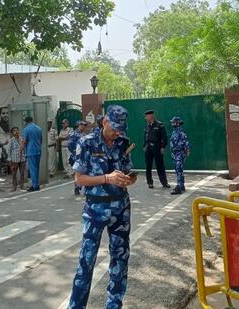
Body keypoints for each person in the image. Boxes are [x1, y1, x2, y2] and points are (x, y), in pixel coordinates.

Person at [67, 105, 137, 309]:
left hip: (121, 209)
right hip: (95, 209)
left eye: (121, 129)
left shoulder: (123, 142)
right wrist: (107, 178)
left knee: (120, 258)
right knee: (86, 261)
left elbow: (126, 169)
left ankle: (114, 304)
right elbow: (80, 179)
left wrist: (126, 180)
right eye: (114, 128)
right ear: (105, 121)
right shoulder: (86, 142)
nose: (117, 133)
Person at [143, 110, 170, 189]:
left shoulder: (159, 125)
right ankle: (150, 183)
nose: (145, 118)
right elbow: (145, 136)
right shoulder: (147, 126)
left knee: (160, 166)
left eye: (147, 116)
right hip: (148, 148)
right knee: (148, 166)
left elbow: (164, 137)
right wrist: (144, 146)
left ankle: (164, 183)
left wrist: (163, 147)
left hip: (157, 147)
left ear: (151, 116)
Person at [169, 116, 191, 195]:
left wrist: (187, 151)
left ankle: (179, 186)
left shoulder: (182, 133)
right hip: (175, 153)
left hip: (180, 152)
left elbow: (186, 142)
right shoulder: (174, 132)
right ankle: (181, 185)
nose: (172, 124)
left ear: (178, 123)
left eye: (173, 122)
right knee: (178, 170)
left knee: (179, 169)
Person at [22, 116, 42, 192]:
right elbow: (41, 140)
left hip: (30, 151)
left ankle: (34, 185)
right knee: (37, 168)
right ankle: (37, 184)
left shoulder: (26, 129)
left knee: (33, 169)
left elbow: (24, 141)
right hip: (38, 150)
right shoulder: (39, 128)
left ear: (26, 121)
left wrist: (21, 149)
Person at [68, 120, 87, 195]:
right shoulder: (74, 134)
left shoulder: (84, 134)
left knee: (85, 172)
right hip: (77, 156)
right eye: (82, 125)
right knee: (78, 172)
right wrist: (76, 151)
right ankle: (77, 187)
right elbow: (70, 145)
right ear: (78, 125)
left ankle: (84, 187)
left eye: (84, 125)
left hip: (84, 155)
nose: (83, 126)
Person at [9, 127, 27, 191]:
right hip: (14, 159)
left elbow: (24, 148)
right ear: (12, 133)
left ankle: (22, 185)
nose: (16, 132)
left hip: (22, 159)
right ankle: (14, 186)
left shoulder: (22, 139)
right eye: (14, 131)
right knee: (14, 173)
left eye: (17, 130)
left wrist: (25, 156)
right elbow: (9, 150)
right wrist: (10, 160)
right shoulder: (11, 140)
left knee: (22, 173)